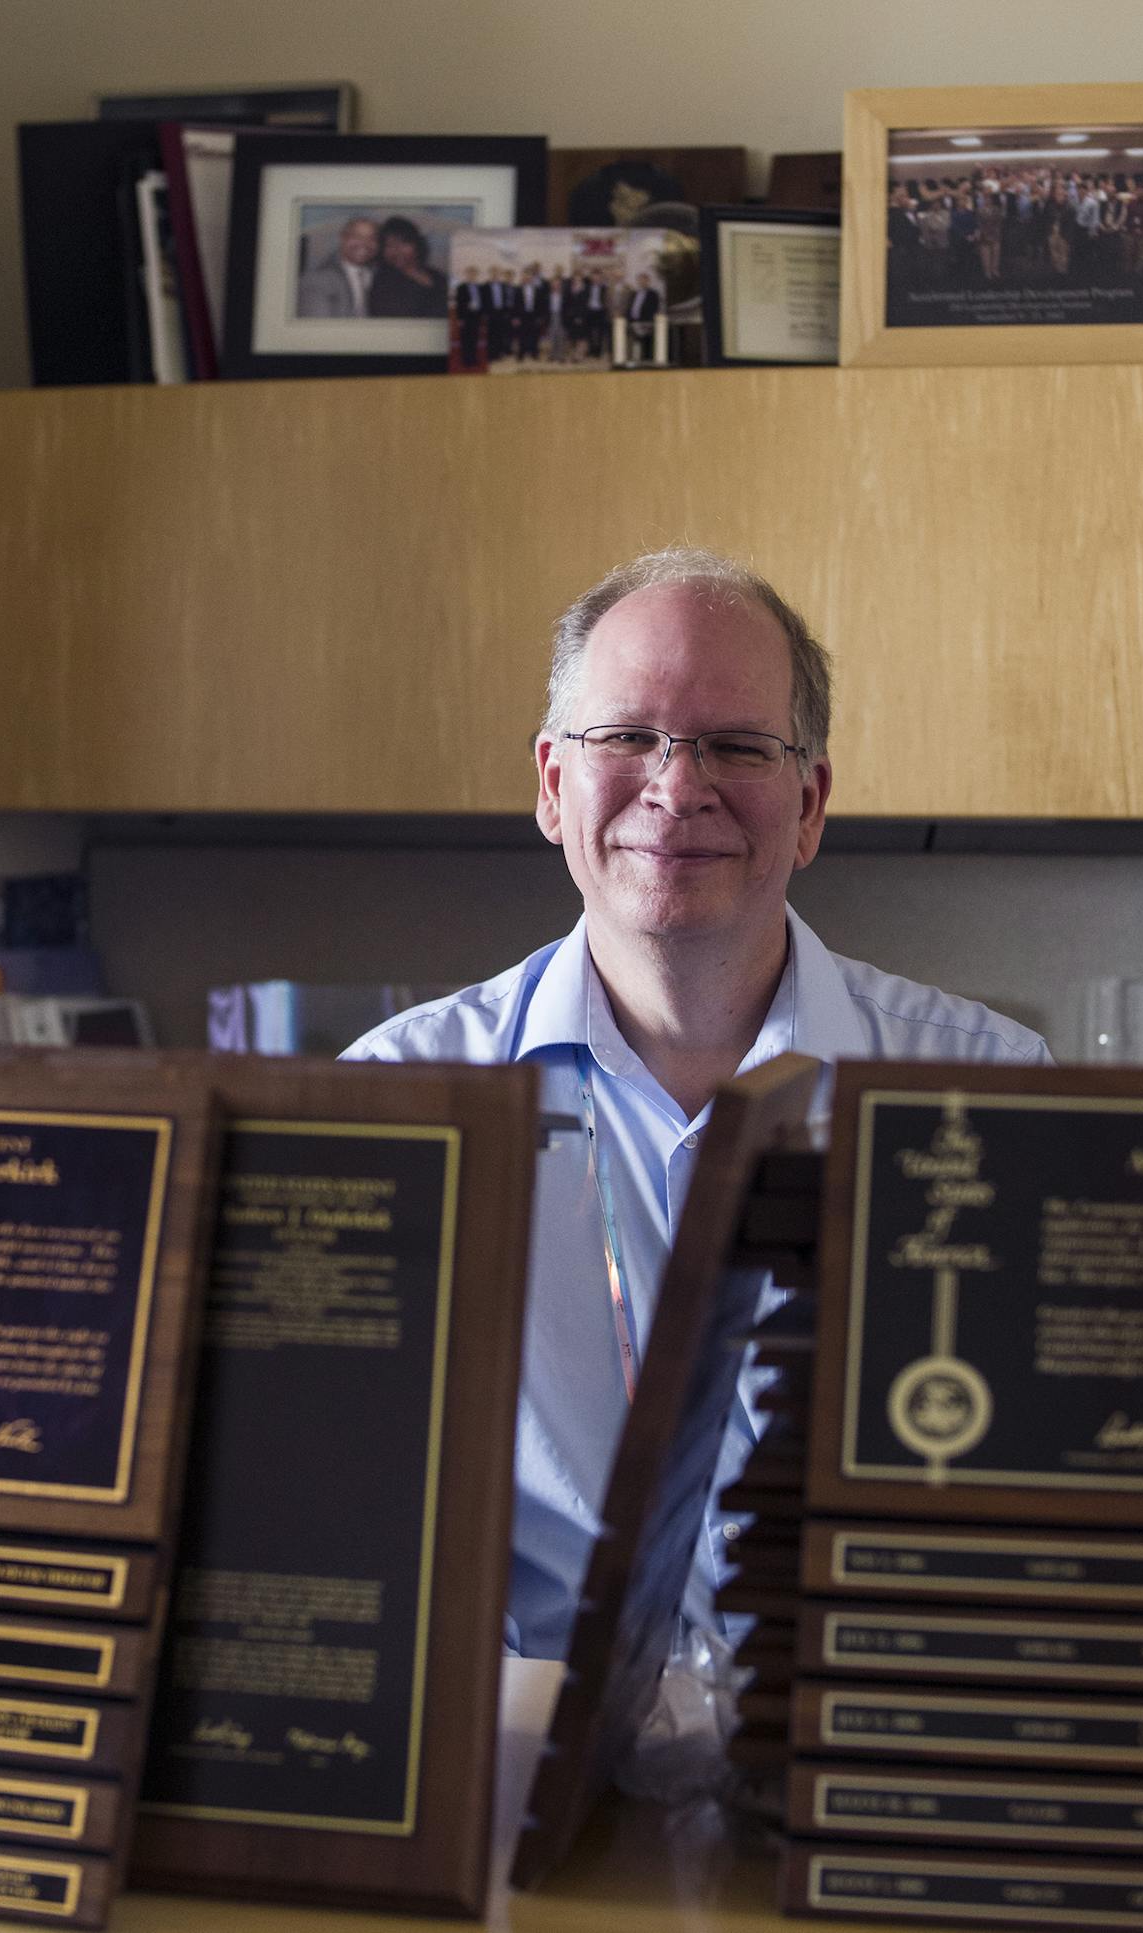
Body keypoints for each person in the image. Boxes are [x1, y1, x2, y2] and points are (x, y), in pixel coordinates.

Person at [342, 549, 1050, 1658]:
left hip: (855, 1756)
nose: (676, 787)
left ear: (809, 804)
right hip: (520, 1775)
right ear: (549, 784)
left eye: (736, 745)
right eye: (626, 736)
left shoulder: (992, 1099)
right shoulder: (391, 1103)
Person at [297, 215, 378, 319]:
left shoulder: (377, 275)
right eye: (357, 236)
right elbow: (318, 330)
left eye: (372, 238)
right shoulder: (315, 280)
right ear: (343, 238)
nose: (365, 243)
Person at [369, 215, 448, 319]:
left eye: (403, 243)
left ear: (416, 244)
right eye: (389, 245)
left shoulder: (437, 276)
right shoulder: (383, 283)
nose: (396, 250)